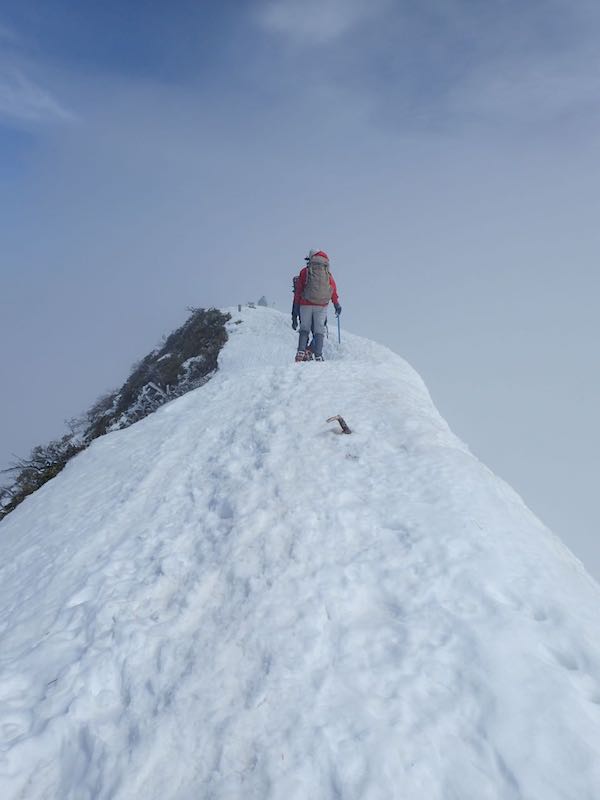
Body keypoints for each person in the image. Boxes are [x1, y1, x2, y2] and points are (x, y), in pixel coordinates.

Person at [291, 249, 341, 362]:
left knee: (304, 329)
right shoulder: (327, 273)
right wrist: (336, 304)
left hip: (305, 304)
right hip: (321, 305)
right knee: (319, 331)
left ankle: (301, 351)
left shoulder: (305, 271)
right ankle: (318, 355)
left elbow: (298, 291)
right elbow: (333, 289)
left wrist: (295, 309)